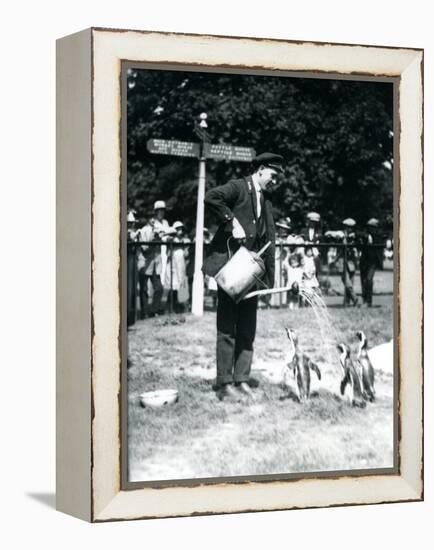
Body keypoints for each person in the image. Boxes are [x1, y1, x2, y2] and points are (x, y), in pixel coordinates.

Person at [203, 152, 284, 401]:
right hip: (231, 271)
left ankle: (242, 379)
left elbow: (266, 238)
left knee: (248, 327)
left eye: (278, 177)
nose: (275, 181)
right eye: (272, 175)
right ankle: (225, 383)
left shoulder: (265, 199)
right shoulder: (238, 187)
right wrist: (231, 221)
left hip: (251, 274)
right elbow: (211, 197)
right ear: (260, 169)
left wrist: (267, 277)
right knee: (227, 326)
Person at [136, 200, 170, 318]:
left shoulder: (163, 225)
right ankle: (144, 312)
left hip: (156, 263)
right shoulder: (144, 230)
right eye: (158, 211)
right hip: (145, 264)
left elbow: (166, 238)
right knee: (144, 289)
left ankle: (153, 310)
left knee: (159, 288)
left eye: (163, 210)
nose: (161, 213)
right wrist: (154, 238)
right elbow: (144, 248)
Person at [164, 221, 190, 313]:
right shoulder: (170, 239)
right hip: (172, 264)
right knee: (172, 285)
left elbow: (186, 254)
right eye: (178, 229)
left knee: (181, 285)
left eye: (181, 229)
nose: (180, 231)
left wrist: (186, 247)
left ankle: (180, 306)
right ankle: (170, 307)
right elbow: (166, 239)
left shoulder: (183, 240)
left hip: (180, 265)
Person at [332, 218, 359, 307]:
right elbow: (331, 234)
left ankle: (347, 302)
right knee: (346, 281)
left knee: (350, 281)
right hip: (341, 260)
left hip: (351, 261)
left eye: (351, 227)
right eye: (348, 227)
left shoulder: (354, 236)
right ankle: (355, 298)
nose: (350, 229)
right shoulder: (340, 234)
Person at [359, 218, 383, 307]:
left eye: (373, 227)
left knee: (369, 280)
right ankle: (365, 300)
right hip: (364, 261)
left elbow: (383, 239)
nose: (371, 229)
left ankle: (368, 301)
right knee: (363, 281)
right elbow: (358, 233)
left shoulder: (379, 236)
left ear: (376, 228)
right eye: (369, 227)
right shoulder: (365, 235)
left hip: (373, 262)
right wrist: (367, 236)